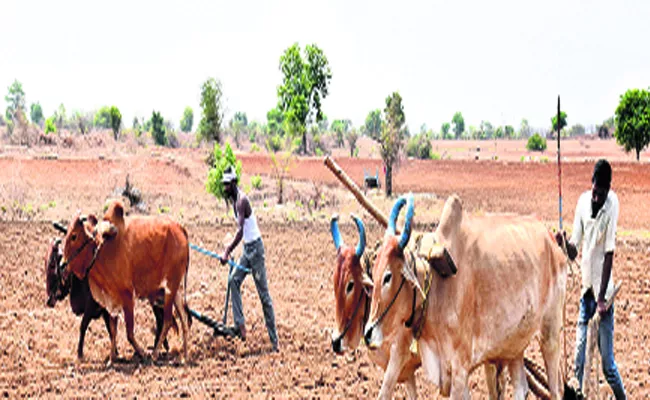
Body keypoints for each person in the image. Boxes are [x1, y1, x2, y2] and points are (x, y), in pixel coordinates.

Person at [556, 159, 626, 399]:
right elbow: (575, 248)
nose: (597, 197)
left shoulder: (613, 204)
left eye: (602, 193)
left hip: (603, 298)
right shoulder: (583, 202)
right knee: (578, 362)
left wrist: (602, 300)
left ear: (608, 189)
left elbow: (609, 253)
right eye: (595, 191)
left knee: (608, 366)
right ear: (592, 184)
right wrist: (565, 243)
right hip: (586, 292)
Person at [221, 165, 279, 352]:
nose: (225, 188)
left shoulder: (241, 201)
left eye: (227, 185)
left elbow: (239, 231)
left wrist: (227, 251)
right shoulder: (234, 201)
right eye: (224, 185)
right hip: (247, 249)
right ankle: (240, 326)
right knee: (234, 281)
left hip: (255, 250)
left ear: (234, 183)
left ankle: (274, 341)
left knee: (264, 296)